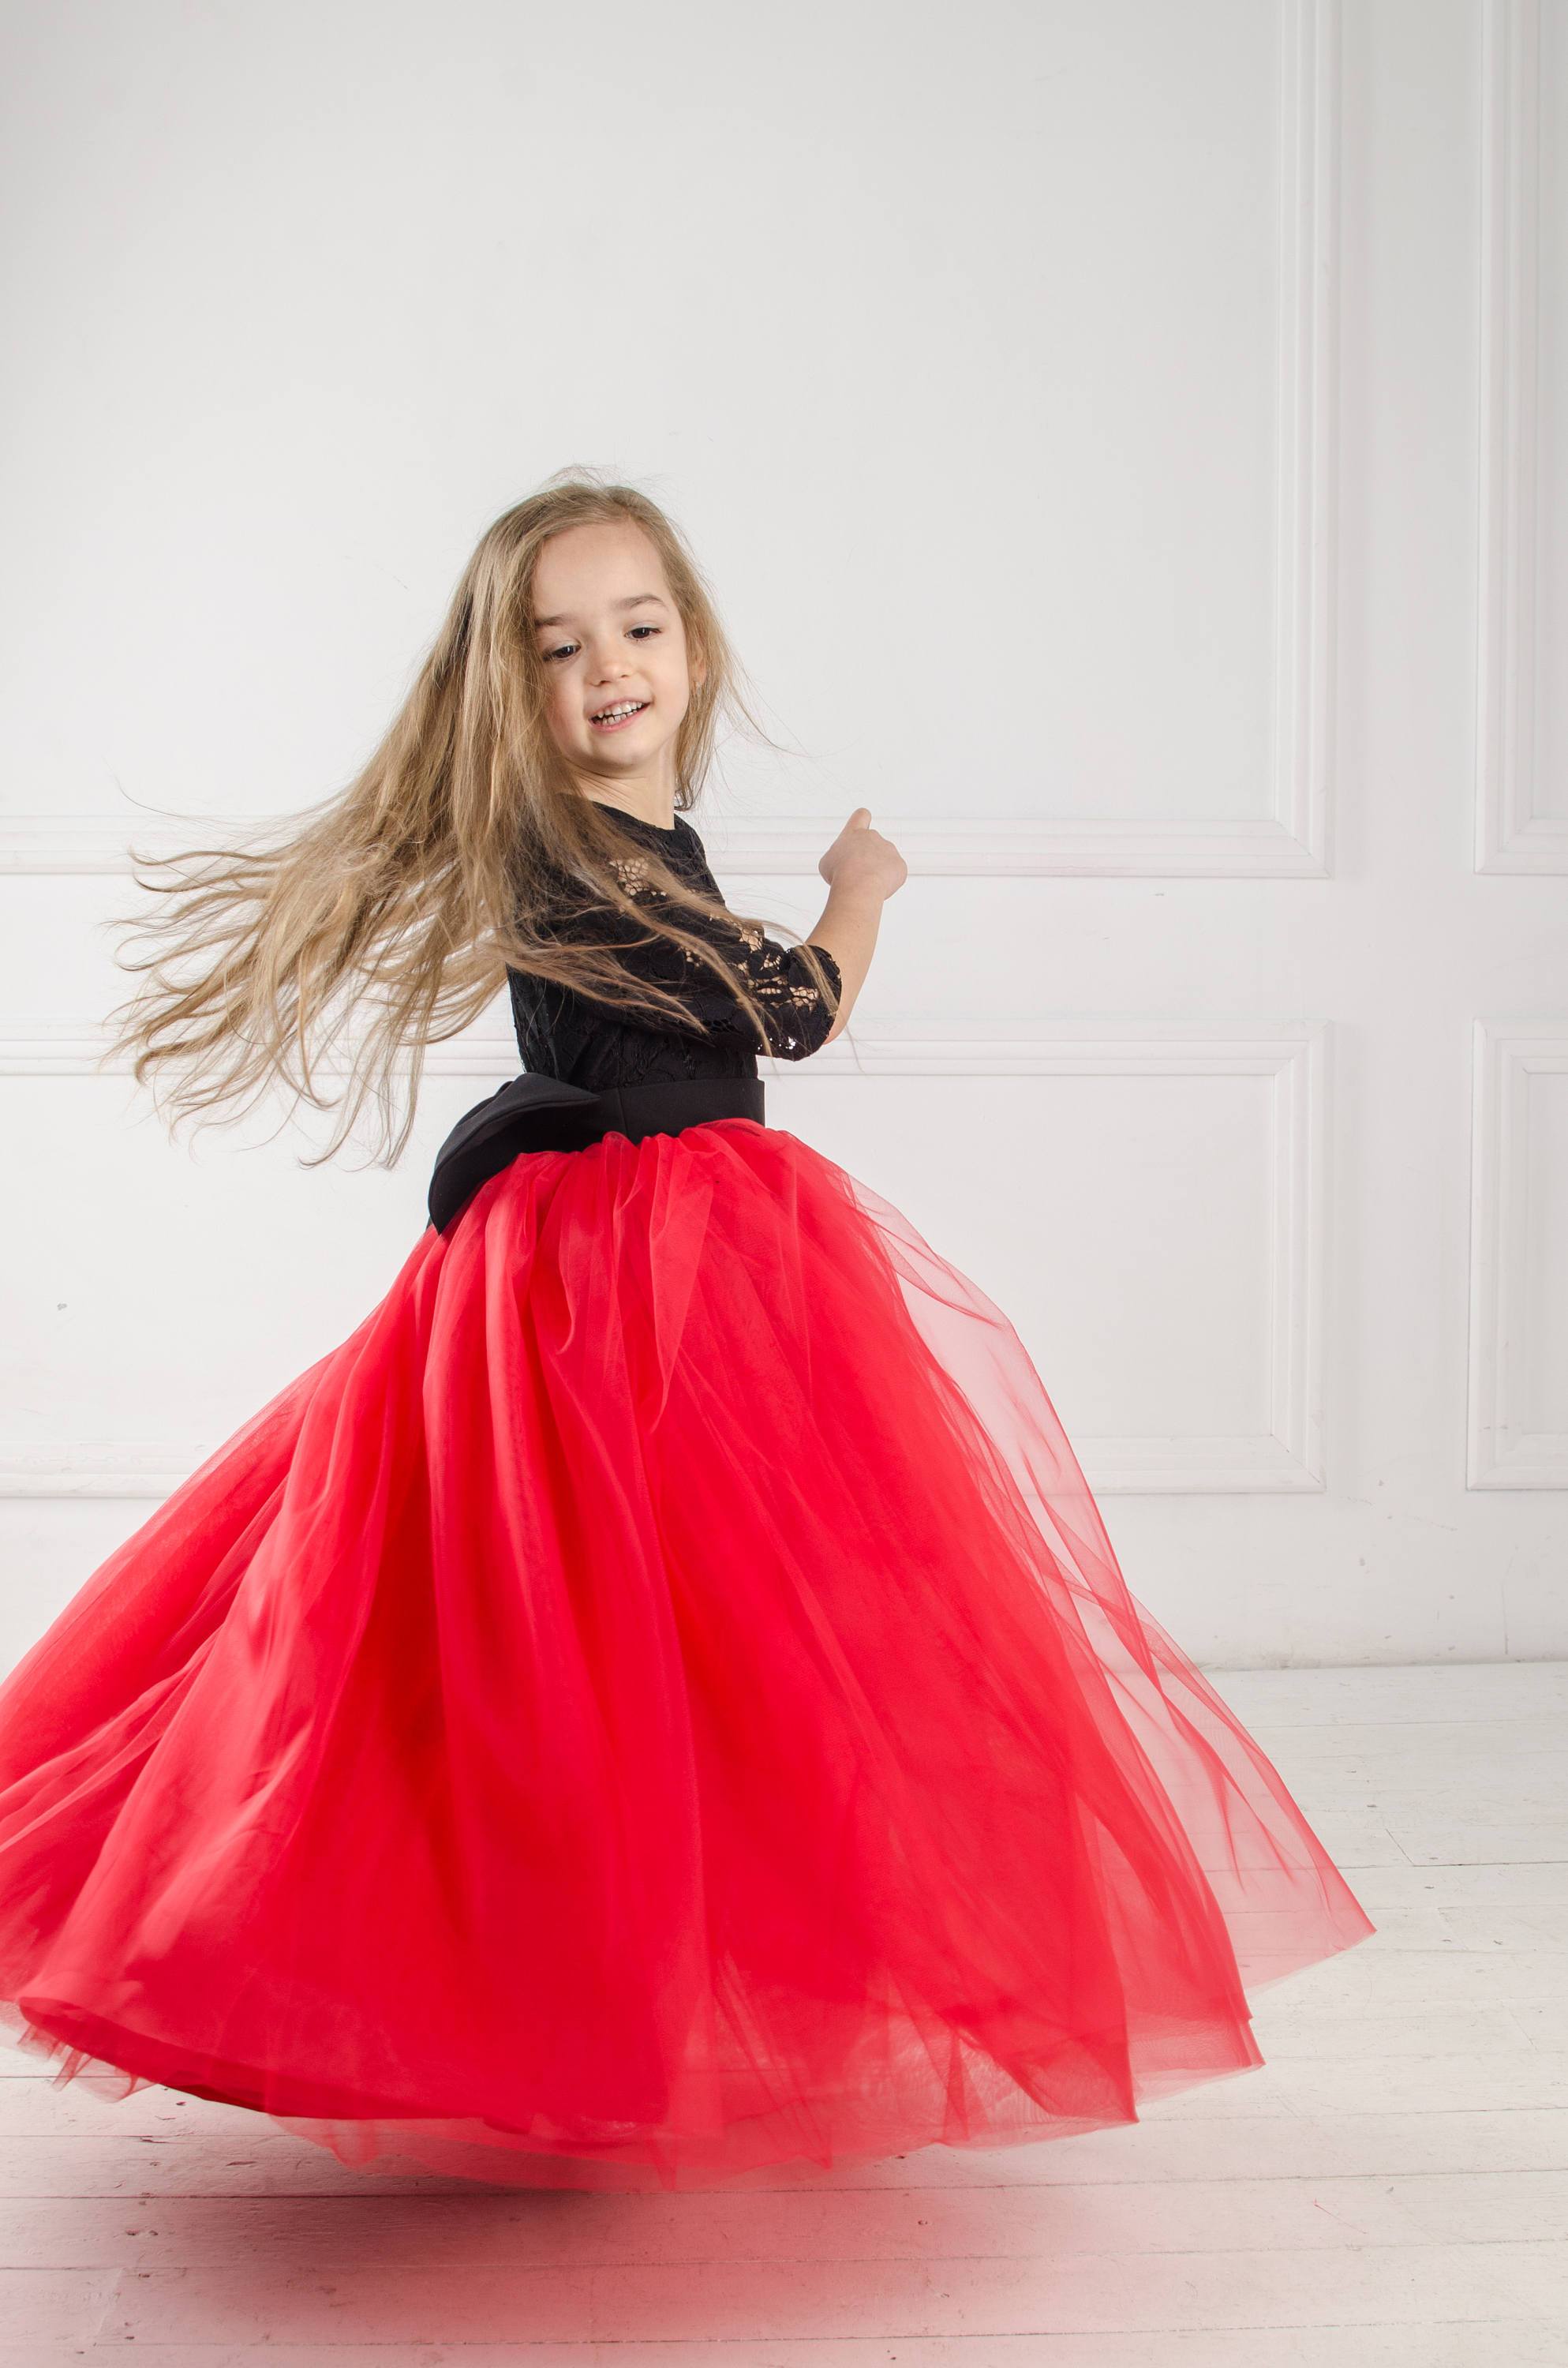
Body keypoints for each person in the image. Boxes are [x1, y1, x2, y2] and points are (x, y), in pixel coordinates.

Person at [0, 473, 1373, 2194]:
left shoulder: (642, 840)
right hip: (609, 1278)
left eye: (635, 628)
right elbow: (783, 1012)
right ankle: (549, 1994)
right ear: (508, 688)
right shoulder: (571, 859)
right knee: (562, 1630)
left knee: (721, 1633)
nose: (606, 672)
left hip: (689, 1254)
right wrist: (859, 891)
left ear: (693, 643)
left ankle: (698, 1983)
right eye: (559, 648)